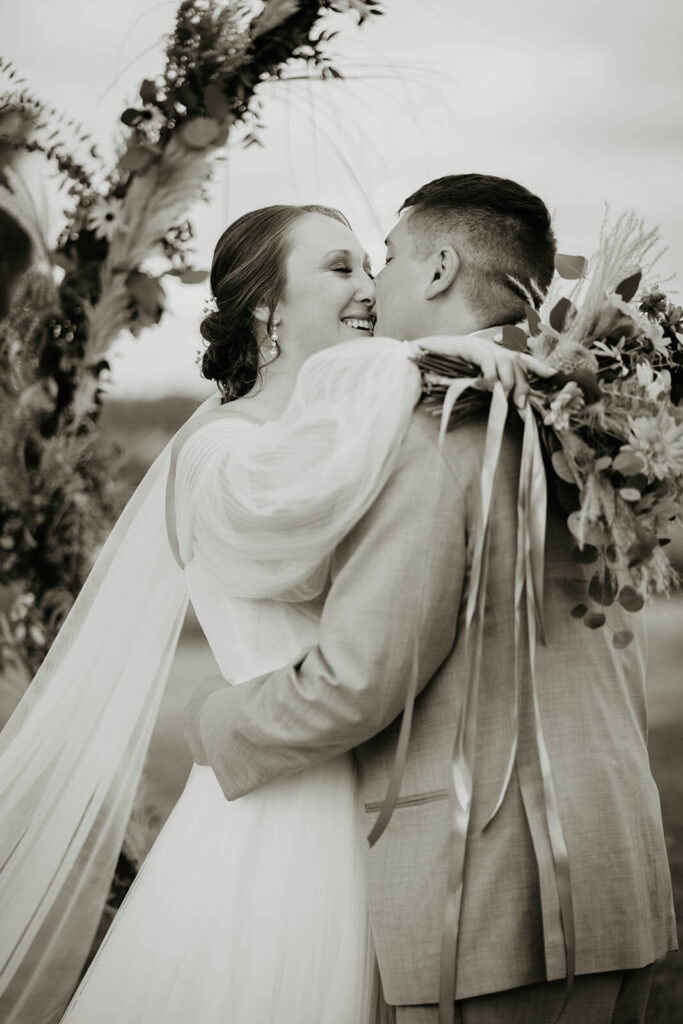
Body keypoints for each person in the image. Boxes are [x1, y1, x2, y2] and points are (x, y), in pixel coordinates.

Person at [0, 199, 538, 1024]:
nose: (368, 286)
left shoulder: (365, 422)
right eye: (338, 267)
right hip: (287, 812)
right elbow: (295, 526)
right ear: (265, 305)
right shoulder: (223, 448)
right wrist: (417, 359)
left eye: (368, 263)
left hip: (398, 805)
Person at [186, 176, 677, 1023]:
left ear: (441, 266)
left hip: (503, 900)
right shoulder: (570, 414)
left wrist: (213, 721)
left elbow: (360, 677)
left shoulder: (430, 434)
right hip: (618, 868)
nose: (372, 289)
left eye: (381, 259)